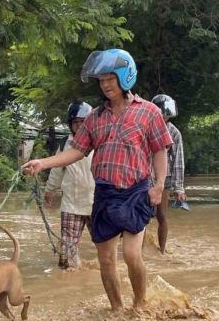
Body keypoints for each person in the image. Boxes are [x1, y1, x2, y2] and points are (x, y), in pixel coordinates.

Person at [22, 49, 172, 312]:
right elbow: (77, 151)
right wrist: (43, 162)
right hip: (103, 194)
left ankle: (139, 305)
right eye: (101, 81)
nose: (104, 85)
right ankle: (116, 309)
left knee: (131, 254)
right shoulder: (94, 118)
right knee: (105, 260)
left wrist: (159, 185)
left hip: (136, 192)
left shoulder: (148, 112)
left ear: (125, 77)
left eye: (109, 79)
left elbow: (160, 150)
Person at [44, 100, 94, 269]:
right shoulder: (65, 143)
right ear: (70, 125)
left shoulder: (100, 141)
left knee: (105, 245)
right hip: (71, 204)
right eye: (75, 123)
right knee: (66, 253)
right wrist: (50, 190)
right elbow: (57, 168)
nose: (79, 126)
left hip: (97, 202)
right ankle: (69, 276)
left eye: (83, 122)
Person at [150, 94, 186, 254]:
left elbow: (178, 161)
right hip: (143, 176)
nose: (164, 117)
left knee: (161, 216)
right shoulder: (145, 127)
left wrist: (179, 189)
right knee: (140, 216)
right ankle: (139, 252)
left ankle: (162, 252)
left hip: (164, 178)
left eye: (166, 115)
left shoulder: (174, 132)